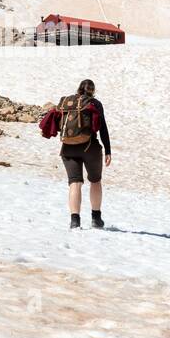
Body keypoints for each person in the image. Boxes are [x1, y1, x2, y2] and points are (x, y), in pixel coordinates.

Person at [60, 78, 111, 229]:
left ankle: (75, 220)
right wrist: (108, 150)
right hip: (90, 148)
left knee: (74, 182)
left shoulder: (68, 103)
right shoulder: (95, 103)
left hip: (68, 147)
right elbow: (103, 129)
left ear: (79, 89)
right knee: (95, 181)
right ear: (93, 90)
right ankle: (96, 218)